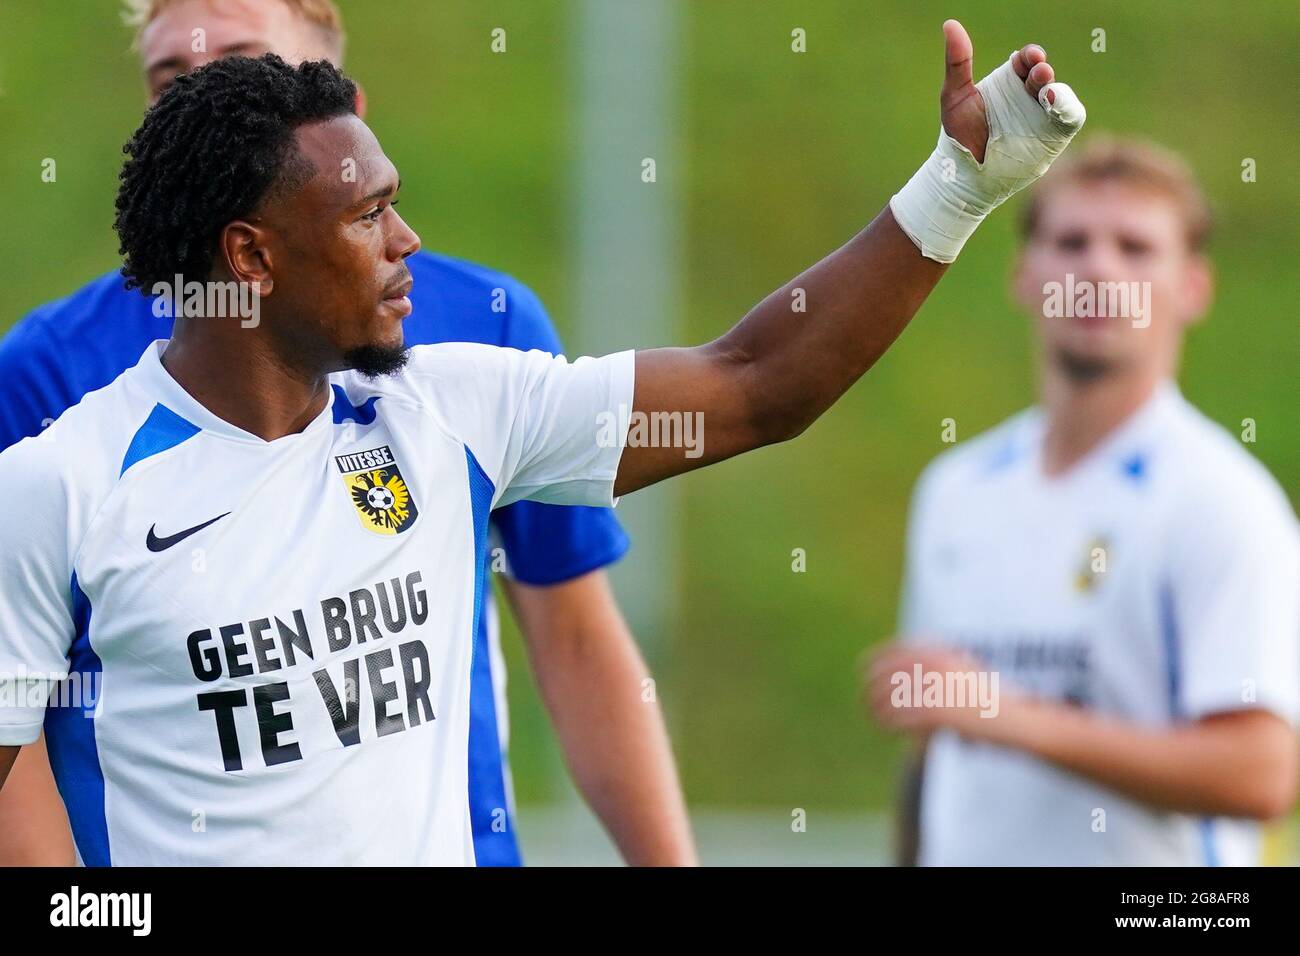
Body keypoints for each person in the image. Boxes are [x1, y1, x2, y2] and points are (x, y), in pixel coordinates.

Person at [0, 21, 1085, 864]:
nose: (406, 240)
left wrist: (957, 186)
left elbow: (757, 384)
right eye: (366, 214)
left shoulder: (451, 409)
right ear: (251, 256)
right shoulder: (58, 489)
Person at [0, 0, 693, 867]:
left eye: (242, 64)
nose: (200, 92)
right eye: (168, 77)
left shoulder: (480, 327)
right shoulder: (53, 369)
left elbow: (576, 632)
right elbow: (13, 705)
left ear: (338, 109)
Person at [867, 138, 1300, 866]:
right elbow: (937, 755)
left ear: (1193, 287)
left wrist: (1005, 716)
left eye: (1135, 248)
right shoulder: (956, 490)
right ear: (1022, 276)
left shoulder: (1221, 501)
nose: (1099, 269)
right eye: (1071, 242)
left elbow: (1261, 772)